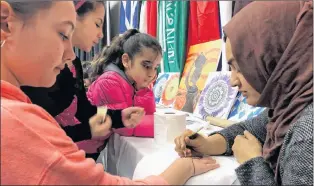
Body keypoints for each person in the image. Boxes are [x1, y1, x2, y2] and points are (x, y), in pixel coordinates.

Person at [1, 1, 220, 185]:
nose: (68, 53)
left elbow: (87, 110)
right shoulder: (17, 121)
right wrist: (183, 169)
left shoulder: (62, 72)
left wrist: (119, 116)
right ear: (6, 22)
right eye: (63, 34)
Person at [174, 1, 313, 185]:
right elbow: (252, 128)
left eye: (240, 67)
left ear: (275, 56)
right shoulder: (290, 106)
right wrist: (208, 144)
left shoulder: (307, 134)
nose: (232, 81)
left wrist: (251, 163)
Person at [20, 0, 144, 161]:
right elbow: (38, 135)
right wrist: (88, 130)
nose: (101, 34)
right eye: (97, 24)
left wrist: (118, 117)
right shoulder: (39, 67)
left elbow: (83, 109)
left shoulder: (73, 62)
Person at [87, 29, 160, 138]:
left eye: (155, 68)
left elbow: (147, 113)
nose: (151, 73)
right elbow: (125, 127)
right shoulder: (109, 81)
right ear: (126, 60)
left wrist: (142, 89)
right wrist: (163, 125)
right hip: (80, 146)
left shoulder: (135, 82)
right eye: (146, 65)